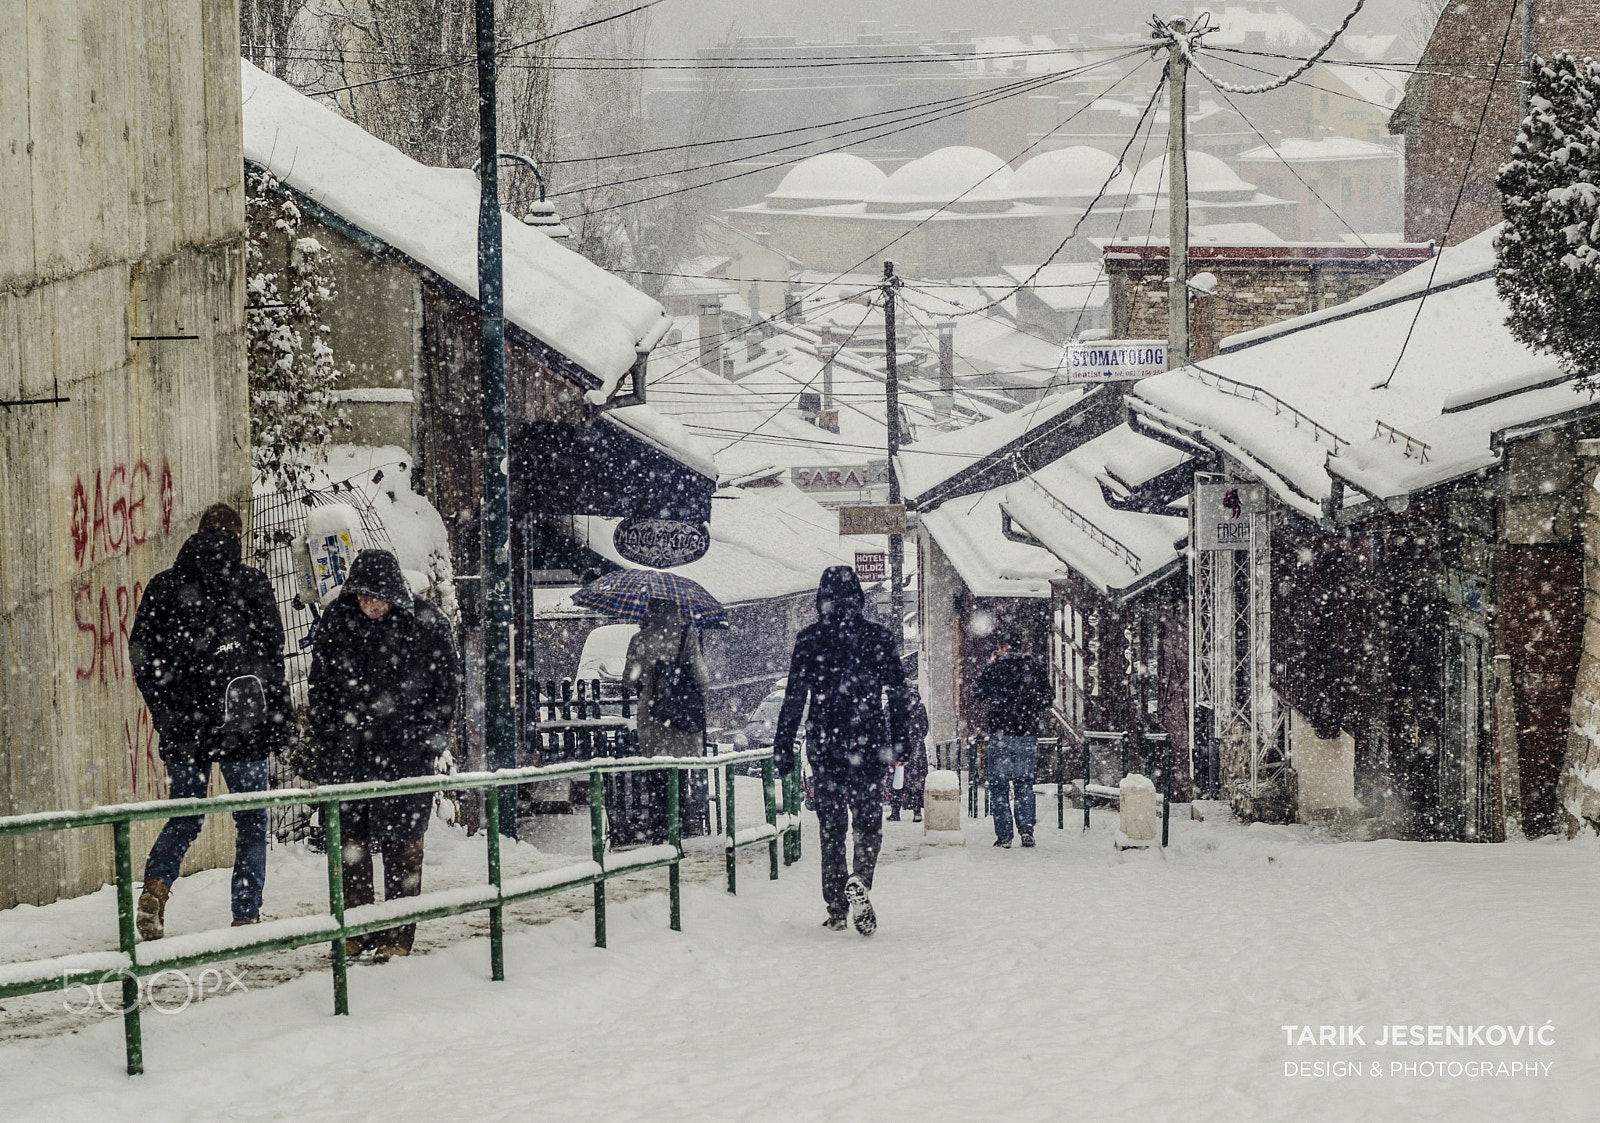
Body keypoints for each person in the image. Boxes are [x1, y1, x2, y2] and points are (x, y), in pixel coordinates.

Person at [129, 502, 292, 939]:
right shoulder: (251, 584)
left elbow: (143, 657)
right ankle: (244, 914)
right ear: (237, 537)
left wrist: (169, 712)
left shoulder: (165, 587)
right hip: (244, 724)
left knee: (186, 814)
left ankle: (156, 888)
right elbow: (272, 658)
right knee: (251, 819)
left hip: (186, 730)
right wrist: (278, 717)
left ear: (197, 534)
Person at [308, 549, 461, 961]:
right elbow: (320, 686)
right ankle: (356, 930)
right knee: (350, 845)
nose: (367, 605)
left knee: (403, 846)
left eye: (374, 597)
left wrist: (427, 737)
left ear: (393, 591)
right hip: (349, 753)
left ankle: (397, 934)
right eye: (360, 597)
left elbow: (446, 688)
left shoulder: (427, 623)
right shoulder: (338, 620)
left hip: (405, 754)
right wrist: (331, 735)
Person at [774, 567, 909, 935]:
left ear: (822, 600)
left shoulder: (809, 639)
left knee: (831, 830)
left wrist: (784, 745)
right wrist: (901, 742)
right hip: (868, 745)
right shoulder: (878, 638)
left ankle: (836, 908)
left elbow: (794, 698)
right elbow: (898, 694)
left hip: (826, 745)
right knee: (868, 825)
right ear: (859, 599)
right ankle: (861, 877)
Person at [621, 598, 710, 844]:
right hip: (679, 719)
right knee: (679, 779)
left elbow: (628, 680)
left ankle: (659, 833)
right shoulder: (685, 637)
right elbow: (702, 678)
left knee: (656, 779)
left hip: (652, 718)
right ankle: (675, 835)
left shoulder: (639, 640)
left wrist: (647, 681)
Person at [973, 638, 1054, 849]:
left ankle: (1004, 835)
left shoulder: (996, 667)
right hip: (1027, 733)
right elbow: (1048, 699)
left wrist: (991, 671)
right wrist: (1029, 707)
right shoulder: (1035, 667)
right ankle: (1026, 829)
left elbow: (978, 693)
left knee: (999, 786)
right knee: (1024, 783)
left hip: (1000, 733)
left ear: (1002, 647)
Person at [888, 679, 930, 823]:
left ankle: (895, 812)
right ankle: (917, 812)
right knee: (916, 780)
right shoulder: (919, 706)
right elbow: (925, 728)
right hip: (915, 747)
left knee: (897, 779)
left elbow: (886, 726)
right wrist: (916, 738)